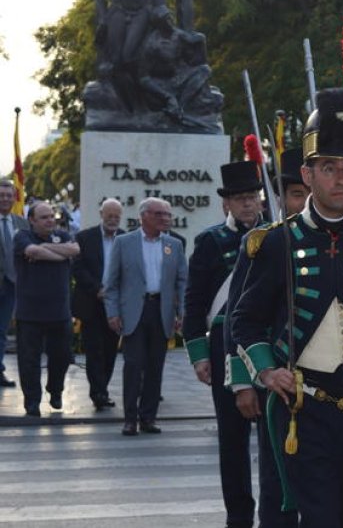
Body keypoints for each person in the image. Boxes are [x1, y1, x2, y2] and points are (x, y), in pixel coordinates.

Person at [229, 88, 343, 525]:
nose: (340, 178)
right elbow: (245, 319)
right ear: (308, 174)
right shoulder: (278, 241)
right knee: (318, 516)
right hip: (305, 403)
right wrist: (265, 370)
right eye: (328, 167)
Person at [223, 148, 305, 528]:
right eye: (295, 195)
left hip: (336, 387)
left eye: (307, 192)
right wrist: (244, 381)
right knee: (278, 487)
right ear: (280, 199)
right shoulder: (263, 242)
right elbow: (239, 319)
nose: (304, 202)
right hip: (278, 382)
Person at [182, 160, 264, 528]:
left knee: (274, 436)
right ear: (226, 204)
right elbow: (195, 301)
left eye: (253, 197)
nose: (248, 204)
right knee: (232, 440)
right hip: (223, 347)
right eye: (240, 198)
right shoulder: (211, 242)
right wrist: (200, 355)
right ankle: (239, 516)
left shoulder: (277, 234)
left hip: (267, 345)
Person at [104, 197, 187, 435]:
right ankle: (130, 418)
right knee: (133, 365)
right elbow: (111, 283)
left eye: (168, 215)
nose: (166, 219)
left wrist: (182, 312)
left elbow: (182, 281)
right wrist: (112, 313)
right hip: (133, 313)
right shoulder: (124, 242)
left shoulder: (175, 244)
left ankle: (148, 417)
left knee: (155, 367)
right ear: (144, 216)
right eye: (160, 214)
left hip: (161, 311)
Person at [13, 202, 79, 417]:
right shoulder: (22, 236)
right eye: (44, 217)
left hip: (59, 311)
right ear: (32, 220)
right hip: (30, 311)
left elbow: (75, 249)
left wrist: (46, 250)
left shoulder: (62, 234)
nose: (50, 220)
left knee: (61, 356)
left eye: (52, 216)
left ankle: (55, 390)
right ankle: (32, 401)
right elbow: (32, 250)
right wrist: (60, 254)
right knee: (29, 360)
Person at [72, 198, 124, 409]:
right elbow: (78, 268)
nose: (113, 220)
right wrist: (97, 289)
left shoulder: (126, 238)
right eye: (109, 215)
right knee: (94, 350)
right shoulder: (84, 237)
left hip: (116, 305)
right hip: (91, 303)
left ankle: (103, 388)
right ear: (101, 214)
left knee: (111, 350)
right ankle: (98, 393)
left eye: (116, 216)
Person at [0, 179, 29, 388]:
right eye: (1, 195)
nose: (5, 199)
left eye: (9, 195)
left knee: (1, 330)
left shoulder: (21, 223)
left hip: (12, 285)